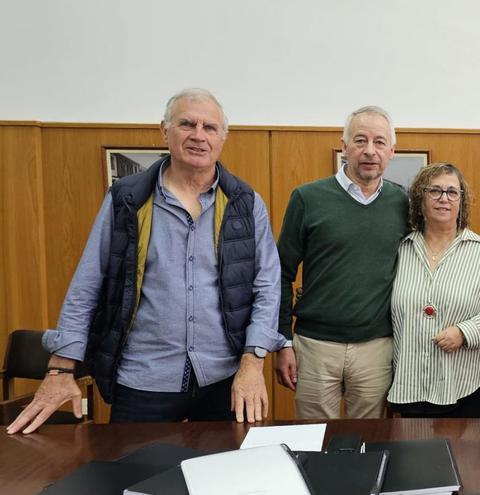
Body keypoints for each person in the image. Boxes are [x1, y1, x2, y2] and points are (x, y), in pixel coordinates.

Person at [7, 88, 284, 434]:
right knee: (133, 479)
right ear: (164, 131)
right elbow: (89, 282)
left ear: (223, 138)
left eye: (210, 128)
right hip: (143, 378)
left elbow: (267, 286)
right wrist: (61, 369)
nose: (199, 135)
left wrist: (253, 363)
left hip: (224, 378)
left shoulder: (245, 202)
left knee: (224, 479)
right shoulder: (127, 199)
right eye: (187, 124)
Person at [275, 105, 409, 419]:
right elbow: (280, 273)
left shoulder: (402, 203)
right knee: (312, 442)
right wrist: (283, 342)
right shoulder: (307, 198)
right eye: (360, 140)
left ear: (392, 151)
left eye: (379, 142)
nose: (370, 151)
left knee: (368, 441)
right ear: (344, 145)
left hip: (377, 347)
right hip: (315, 346)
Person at [387, 163, 480, 417]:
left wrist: (465, 332)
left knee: (467, 456)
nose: (444, 198)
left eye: (452, 192)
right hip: (412, 382)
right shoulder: (400, 250)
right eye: (435, 191)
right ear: (420, 200)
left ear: (461, 201)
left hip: (469, 383)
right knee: (416, 454)